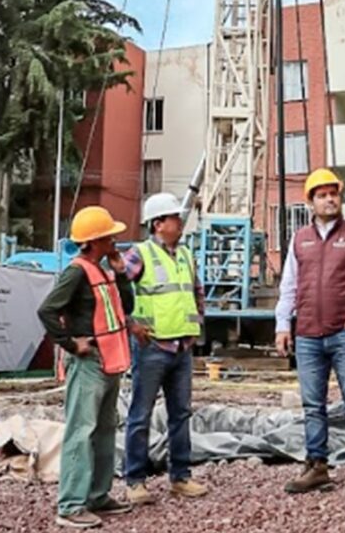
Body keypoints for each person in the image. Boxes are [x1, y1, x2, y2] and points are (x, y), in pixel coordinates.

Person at [275, 167, 345, 500]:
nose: (329, 199)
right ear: (311, 202)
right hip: (307, 334)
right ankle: (317, 466)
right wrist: (282, 324)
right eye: (322, 195)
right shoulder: (299, 240)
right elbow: (289, 284)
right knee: (312, 406)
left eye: (333, 193)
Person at [37, 205, 134, 529]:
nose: (115, 240)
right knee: (81, 431)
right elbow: (47, 310)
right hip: (89, 362)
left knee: (105, 429)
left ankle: (97, 495)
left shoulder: (103, 270)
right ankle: (70, 505)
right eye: (110, 237)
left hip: (109, 361)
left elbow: (126, 307)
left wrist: (121, 273)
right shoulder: (77, 272)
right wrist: (70, 344)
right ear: (95, 241)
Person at [122, 191, 207, 504]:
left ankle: (180, 477)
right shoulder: (139, 254)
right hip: (152, 348)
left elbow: (196, 291)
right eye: (174, 217)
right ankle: (135, 481)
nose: (179, 221)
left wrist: (196, 324)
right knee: (140, 415)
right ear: (158, 223)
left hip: (182, 348)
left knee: (181, 414)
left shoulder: (185, 255)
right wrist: (131, 324)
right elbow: (116, 287)